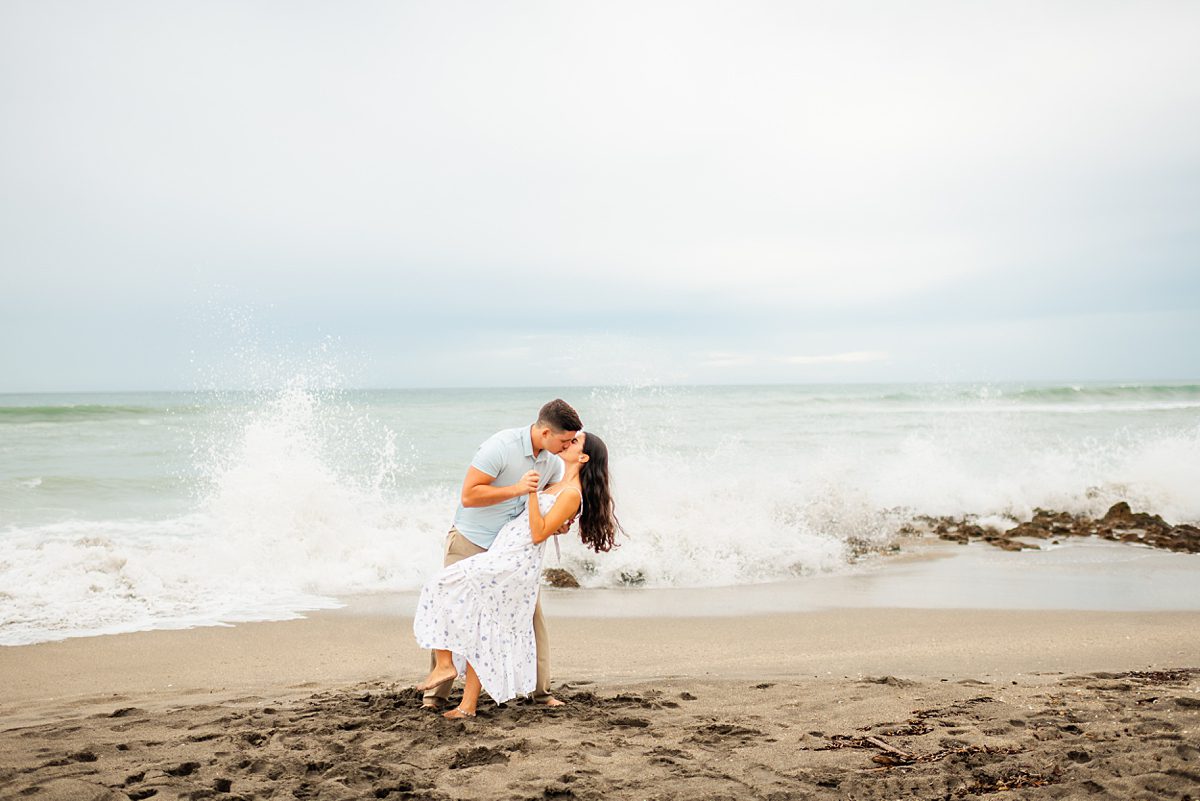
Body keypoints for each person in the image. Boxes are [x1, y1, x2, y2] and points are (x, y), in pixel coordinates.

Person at [413, 431, 620, 718]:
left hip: (515, 562)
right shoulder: (558, 482)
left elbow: (537, 532)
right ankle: (466, 703)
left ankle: (446, 666)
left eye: (575, 442)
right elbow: (543, 522)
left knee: (441, 585)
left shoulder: (572, 493)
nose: (568, 444)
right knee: (482, 623)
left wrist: (531, 493)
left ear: (583, 457)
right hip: (505, 551)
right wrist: (537, 499)